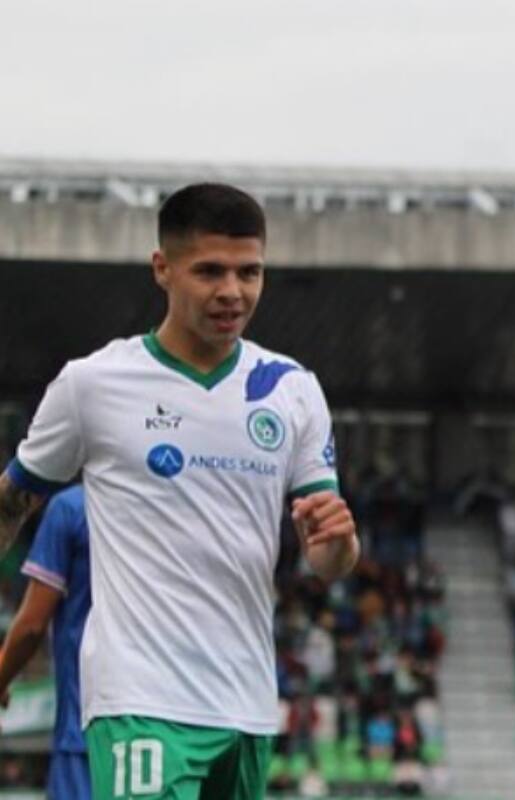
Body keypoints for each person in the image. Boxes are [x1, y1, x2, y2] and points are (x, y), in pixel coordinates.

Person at [0, 183, 359, 799]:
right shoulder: (93, 385)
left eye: (250, 272)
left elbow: (329, 564)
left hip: (245, 703)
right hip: (140, 697)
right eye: (210, 271)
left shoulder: (292, 389)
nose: (233, 292)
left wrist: (338, 543)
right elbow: (12, 500)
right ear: (162, 269)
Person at [0, 485, 90, 798]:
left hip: (84, 732)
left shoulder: (73, 507)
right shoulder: (172, 507)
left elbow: (31, 626)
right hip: (164, 724)